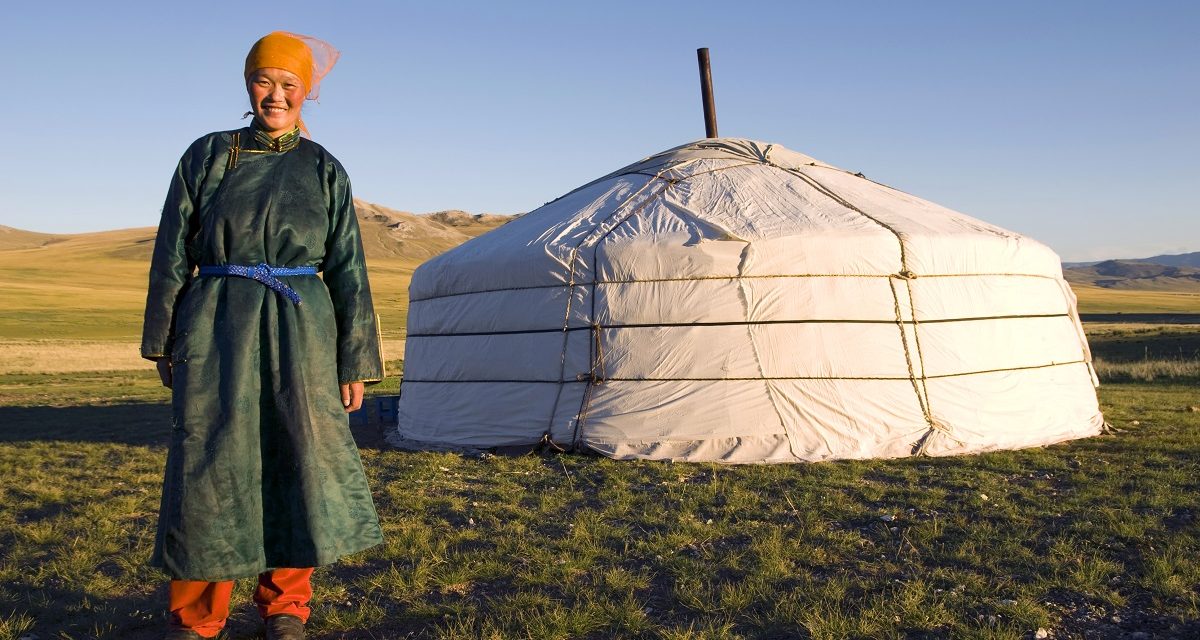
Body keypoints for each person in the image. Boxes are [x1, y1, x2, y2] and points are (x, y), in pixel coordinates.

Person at [140, 31, 384, 640]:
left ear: (308, 91)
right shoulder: (207, 155)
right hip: (215, 322)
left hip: (302, 327)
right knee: (209, 462)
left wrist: (355, 358)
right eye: (263, 81)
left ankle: (285, 606)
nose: (276, 95)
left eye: (289, 84)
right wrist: (163, 337)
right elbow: (172, 250)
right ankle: (198, 617)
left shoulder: (323, 168)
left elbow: (348, 269)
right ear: (248, 85)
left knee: (298, 455)